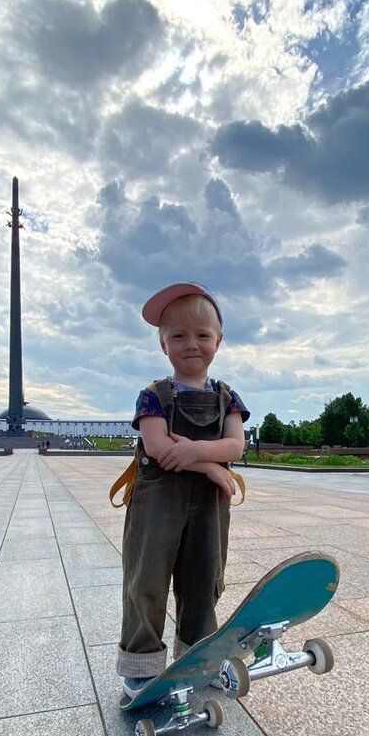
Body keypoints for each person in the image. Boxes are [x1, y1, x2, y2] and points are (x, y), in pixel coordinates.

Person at [117, 282, 249, 700]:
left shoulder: (228, 398)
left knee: (204, 579)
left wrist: (195, 452)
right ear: (163, 344)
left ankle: (197, 656)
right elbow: (157, 448)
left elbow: (237, 445)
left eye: (202, 335)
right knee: (146, 580)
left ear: (219, 341)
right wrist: (210, 465)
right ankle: (141, 666)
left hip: (209, 509)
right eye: (178, 336)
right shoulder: (154, 396)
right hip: (157, 501)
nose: (191, 344)